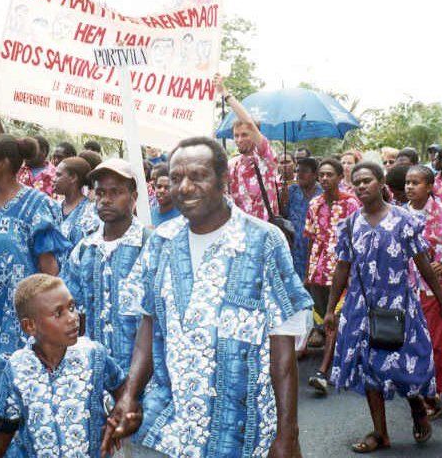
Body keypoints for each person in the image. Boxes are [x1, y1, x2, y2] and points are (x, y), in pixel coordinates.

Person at [104, 136, 314, 457]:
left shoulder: (264, 241)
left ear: (223, 179)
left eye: (198, 176)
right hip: (175, 426)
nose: (185, 187)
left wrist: (288, 434)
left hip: (244, 430)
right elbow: (149, 323)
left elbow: (282, 348)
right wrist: (130, 395)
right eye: (176, 178)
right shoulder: (161, 241)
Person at [324, 162, 442, 453]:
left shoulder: (404, 220)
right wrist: (330, 310)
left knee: (402, 364)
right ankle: (380, 433)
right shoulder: (349, 225)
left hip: (399, 304)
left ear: (381, 182)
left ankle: (417, 405)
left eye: (367, 180)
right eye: (356, 182)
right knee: (368, 368)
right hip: (361, 308)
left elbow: (423, 263)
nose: (361, 186)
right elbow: (342, 268)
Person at [0, 127, 70, 389]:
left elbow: (49, 271)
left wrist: (52, 316)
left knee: (19, 384)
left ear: (4, 163)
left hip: (19, 315)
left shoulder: (37, 205)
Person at [0, 274, 126, 458]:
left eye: (72, 307)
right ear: (30, 326)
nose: (73, 318)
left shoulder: (93, 355)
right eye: (59, 313)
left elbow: (124, 391)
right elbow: (5, 427)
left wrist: (116, 419)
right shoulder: (17, 369)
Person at [61, 159, 148, 374]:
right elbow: (73, 310)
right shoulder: (84, 250)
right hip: (95, 373)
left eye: (115, 192)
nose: (106, 200)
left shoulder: (149, 246)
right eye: (100, 193)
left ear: (134, 197)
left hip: (144, 376)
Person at [404, 165, 442, 418]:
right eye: (407, 182)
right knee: (410, 342)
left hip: (437, 289)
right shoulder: (398, 214)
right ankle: (415, 389)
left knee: (436, 343)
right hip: (406, 287)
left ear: (430, 186)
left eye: (415, 182)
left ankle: (432, 394)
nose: (410, 187)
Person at [305, 158, 361, 394]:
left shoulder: (351, 203)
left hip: (343, 270)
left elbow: (359, 239)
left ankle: (323, 371)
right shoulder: (315, 203)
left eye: (330, 174)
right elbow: (310, 238)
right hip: (318, 270)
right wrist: (308, 271)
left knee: (333, 318)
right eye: (322, 175)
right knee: (324, 315)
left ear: (340, 177)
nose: (325, 178)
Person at [216, 75, 279, 221]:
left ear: (255, 134)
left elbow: (249, 124)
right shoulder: (232, 165)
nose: (239, 140)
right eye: (236, 135)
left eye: (244, 135)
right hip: (239, 230)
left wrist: (225, 93)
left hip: (264, 229)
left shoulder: (265, 158)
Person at [284, 157, 322, 281]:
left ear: (315, 174)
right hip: (294, 249)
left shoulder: (322, 193)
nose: (299, 175)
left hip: (315, 251)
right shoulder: (291, 191)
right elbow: (284, 215)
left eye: (304, 171)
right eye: (297, 171)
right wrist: (282, 199)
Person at [52, 156, 98, 250]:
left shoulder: (90, 211)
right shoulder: (54, 208)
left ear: (73, 177)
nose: (54, 179)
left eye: (59, 175)